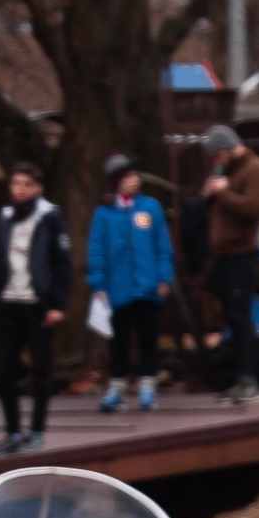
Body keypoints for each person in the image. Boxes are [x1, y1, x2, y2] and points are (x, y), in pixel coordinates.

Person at [0, 161, 71, 456]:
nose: (20, 190)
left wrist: (57, 303)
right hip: (9, 300)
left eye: (26, 184)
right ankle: (11, 431)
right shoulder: (5, 216)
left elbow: (62, 263)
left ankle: (36, 432)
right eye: (15, 184)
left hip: (37, 303)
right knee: (5, 368)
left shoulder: (50, 216)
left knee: (40, 367)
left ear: (38, 188)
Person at [88, 153, 173, 413]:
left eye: (136, 175)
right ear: (116, 182)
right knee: (119, 341)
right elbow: (96, 250)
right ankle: (117, 387)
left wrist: (164, 276)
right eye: (128, 177)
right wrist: (98, 284)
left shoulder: (151, 207)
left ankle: (148, 385)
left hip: (148, 287)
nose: (134, 181)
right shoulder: (104, 213)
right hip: (118, 288)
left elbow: (163, 246)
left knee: (148, 337)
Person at [202, 123, 259, 405]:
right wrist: (211, 194)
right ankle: (238, 379)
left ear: (227, 151)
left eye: (216, 156)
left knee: (242, 318)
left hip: (242, 255)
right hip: (224, 255)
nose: (215, 162)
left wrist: (222, 192)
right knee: (231, 318)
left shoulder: (255, 170)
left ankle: (250, 380)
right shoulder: (228, 173)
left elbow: (254, 210)